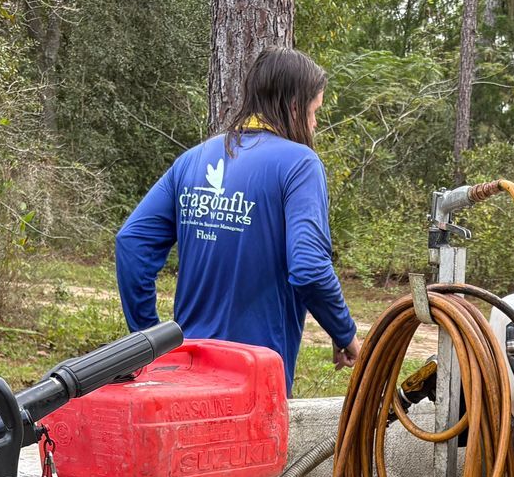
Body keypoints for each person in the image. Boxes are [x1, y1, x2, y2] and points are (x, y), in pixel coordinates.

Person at [115, 48, 361, 392]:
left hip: (183, 376)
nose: (315, 123)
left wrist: (151, 343)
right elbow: (309, 268)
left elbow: (131, 244)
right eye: (314, 111)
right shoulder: (300, 164)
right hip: (254, 381)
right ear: (294, 106)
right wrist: (344, 333)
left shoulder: (193, 160)